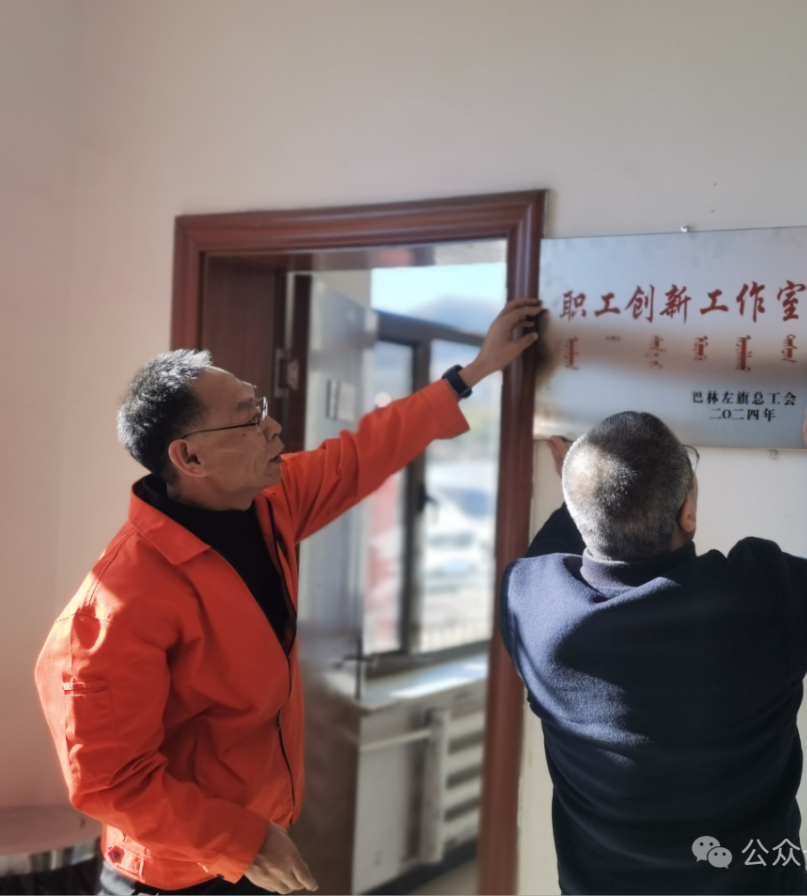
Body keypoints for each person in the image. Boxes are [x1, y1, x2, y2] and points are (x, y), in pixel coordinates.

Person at [35, 298, 542, 896]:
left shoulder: (268, 504)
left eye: (261, 407)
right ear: (190, 457)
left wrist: (473, 372)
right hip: (177, 871)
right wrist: (243, 841)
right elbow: (110, 781)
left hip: (259, 837)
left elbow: (363, 453)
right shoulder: (118, 601)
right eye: (248, 418)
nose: (273, 427)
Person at [499, 362, 807, 895]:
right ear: (687, 513)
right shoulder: (759, 600)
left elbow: (554, 547)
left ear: (577, 513)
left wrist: (590, 486)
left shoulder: (529, 602)